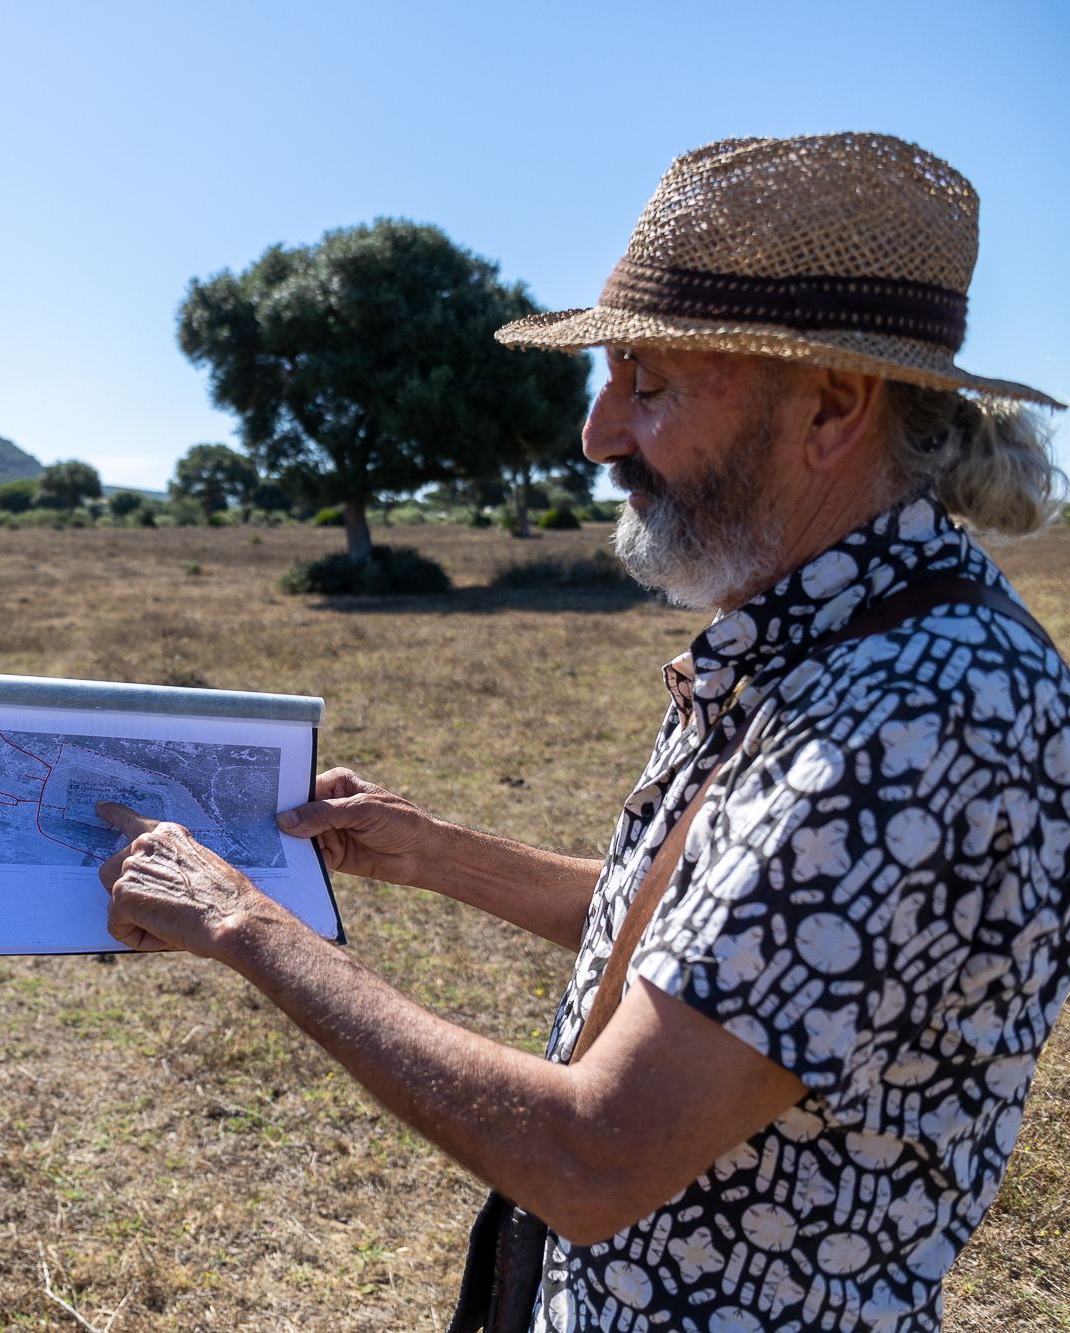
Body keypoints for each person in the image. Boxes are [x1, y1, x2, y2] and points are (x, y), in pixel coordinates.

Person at [96, 133, 1068, 1331]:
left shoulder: (914, 712)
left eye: (646, 386)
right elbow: (713, 946)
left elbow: (596, 1157)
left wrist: (242, 924)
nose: (597, 437)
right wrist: (433, 850)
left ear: (830, 405)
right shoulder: (828, 640)